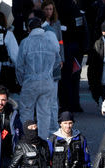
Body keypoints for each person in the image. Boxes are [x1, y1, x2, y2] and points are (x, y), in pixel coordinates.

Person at [16, 17, 60, 139]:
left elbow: (19, 65)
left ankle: (28, 140)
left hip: (30, 81)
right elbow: (57, 61)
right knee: (45, 113)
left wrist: (22, 81)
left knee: (26, 111)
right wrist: (49, 71)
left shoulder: (25, 42)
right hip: (47, 81)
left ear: (29, 29)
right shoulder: (50, 41)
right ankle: (43, 141)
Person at [42, 0, 65, 133]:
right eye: (47, 9)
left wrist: (61, 57)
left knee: (54, 96)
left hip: (55, 60)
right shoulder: (40, 23)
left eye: (51, 9)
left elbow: (60, 42)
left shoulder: (56, 23)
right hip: (45, 61)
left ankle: (54, 125)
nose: (49, 12)